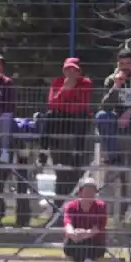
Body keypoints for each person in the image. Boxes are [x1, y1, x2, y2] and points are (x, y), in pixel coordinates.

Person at [39, 57, 93, 199]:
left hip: (76, 120)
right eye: (67, 69)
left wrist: (66, 102)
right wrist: (65, 89)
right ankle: (43, 151)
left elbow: (82, 105)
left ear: (78, 71)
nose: (70, 72)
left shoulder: (85, 83)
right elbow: (52, 104)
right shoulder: (57, 82)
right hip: (61, 119)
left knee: (82, 116)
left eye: (73, 69)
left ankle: (77, 152)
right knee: (49, 116)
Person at [61, 175, 107, 262]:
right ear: (80, 192)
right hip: (73, 243)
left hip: (95, 245)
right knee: (79, 246)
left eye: (92, 192)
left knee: (81, 249)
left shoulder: (101, 206)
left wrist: (85, 233)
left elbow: (99, 227)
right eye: (87, 191)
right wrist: (73, 234)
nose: (89, 195)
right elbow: (67, 223)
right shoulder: (71, 206)